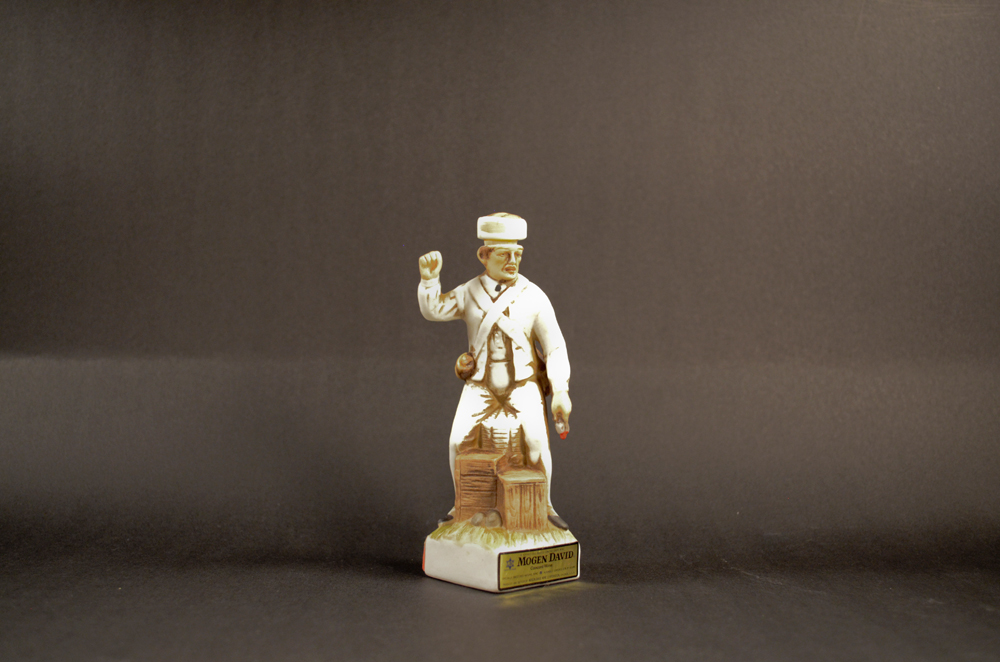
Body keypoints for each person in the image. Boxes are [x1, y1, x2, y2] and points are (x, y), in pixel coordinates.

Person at [418, 213, 573, 529]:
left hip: (522, 386)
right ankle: (461, 505)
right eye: (504, 254)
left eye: (518, 254)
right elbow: (435, 310)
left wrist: (560, 390)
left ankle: (545, 505)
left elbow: (555, 346)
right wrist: (429, 281)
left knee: (536, 443)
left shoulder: (534, 296)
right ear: (484, 255)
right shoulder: (469, 292)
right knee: (458, 441)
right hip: (480, 386)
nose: (513, 261)